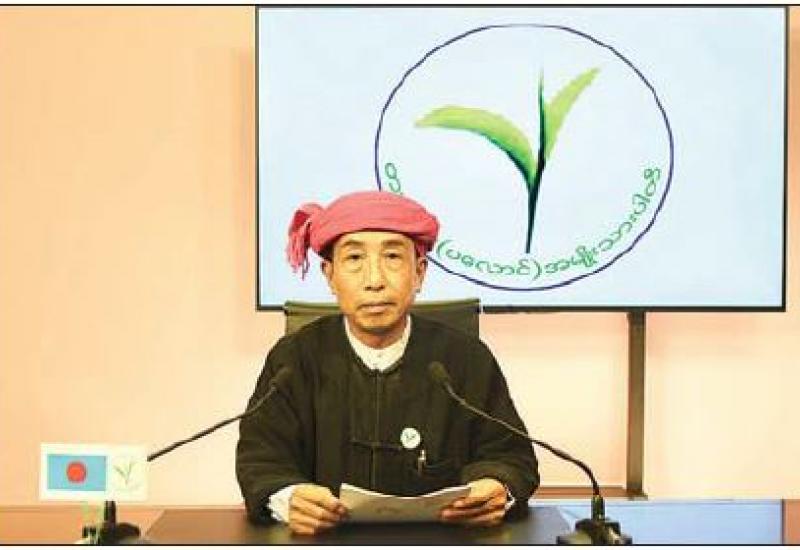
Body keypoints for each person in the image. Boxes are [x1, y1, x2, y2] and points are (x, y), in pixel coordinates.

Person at [236, 190, 538, 535]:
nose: (375, 280)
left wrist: (497, 487)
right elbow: (261, 461)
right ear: (330, 275)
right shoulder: (294, 359)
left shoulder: (465, 359)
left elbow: (511, 457)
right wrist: (288, 498)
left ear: (419, 272)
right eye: (354, 259)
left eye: (392, 257)